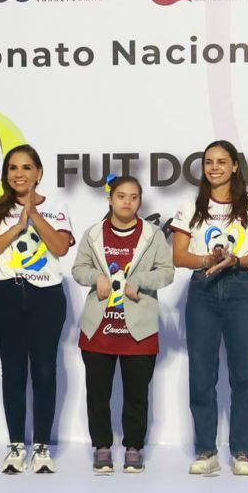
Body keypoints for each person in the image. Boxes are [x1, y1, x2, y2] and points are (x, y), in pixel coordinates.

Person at [171, 141, 248, 476]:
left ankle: (242, 452)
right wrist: (207, 259)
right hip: (202, 289)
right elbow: (178, 256)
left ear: (234, 166)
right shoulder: (190, 205)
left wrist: (234, 260)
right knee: (202, 374)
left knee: (243, 374)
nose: (214, 167)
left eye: (221, 161)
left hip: (240, 287)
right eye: (208, 162)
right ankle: (206, 451)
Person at [0, 145, 74, 474]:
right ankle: (16, 446)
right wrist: (17, 226)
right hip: (7, 294)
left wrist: (33, 215)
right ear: (6, 175)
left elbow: (60, 246)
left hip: (46, 297)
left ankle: (42, 447)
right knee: (14, 371)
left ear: (39, 173)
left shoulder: (57, 207)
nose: (19, 174)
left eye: (26, 167)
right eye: (13, 168)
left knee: (45, 370)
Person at [71, 176, 174, 474]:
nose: (127, 202)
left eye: (133, 197)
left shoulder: (152, 235)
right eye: (121, 196)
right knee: (97, 394)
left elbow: (167, 272)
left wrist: (140, 280)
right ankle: (102, 446)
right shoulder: (94, 234)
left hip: (139, 329)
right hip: (98, 329)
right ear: (110, 199)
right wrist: (96, 277)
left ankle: (134, 447)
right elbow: (78, 269)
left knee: (137, 395)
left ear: (140, 201)